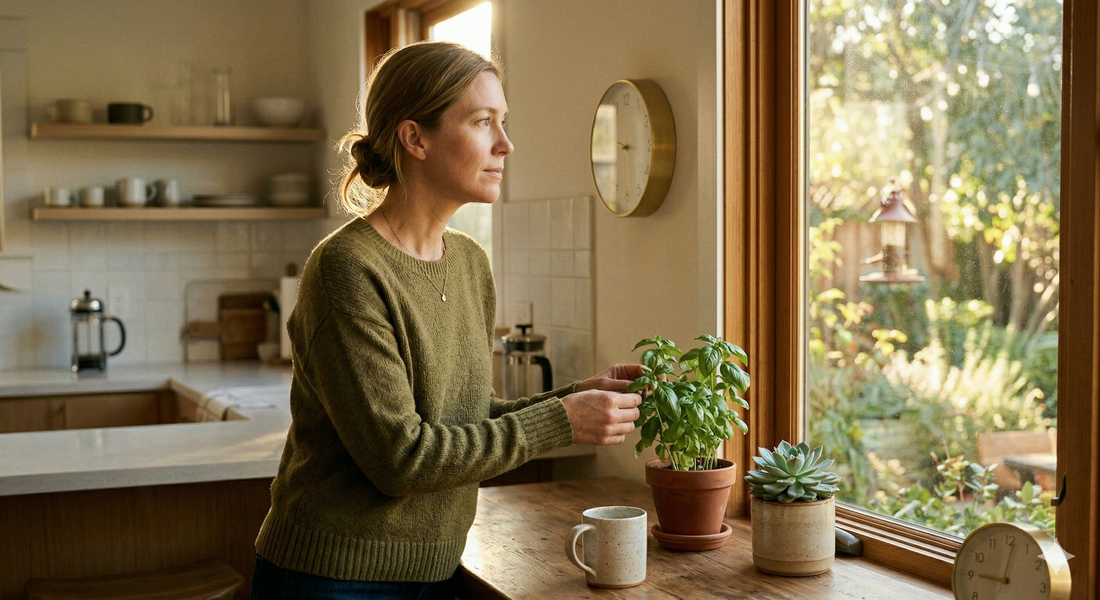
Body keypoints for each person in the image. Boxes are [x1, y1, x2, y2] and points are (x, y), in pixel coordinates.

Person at [251, 40, 643, 600]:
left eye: (503, 122)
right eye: (484, 122)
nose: (507, 145)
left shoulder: (469, 262)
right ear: (415, 138)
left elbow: (465, 417)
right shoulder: (346, 268)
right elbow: (403, 459)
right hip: (334, 579)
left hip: (436, 571)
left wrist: (577, 398)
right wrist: (564, 422)